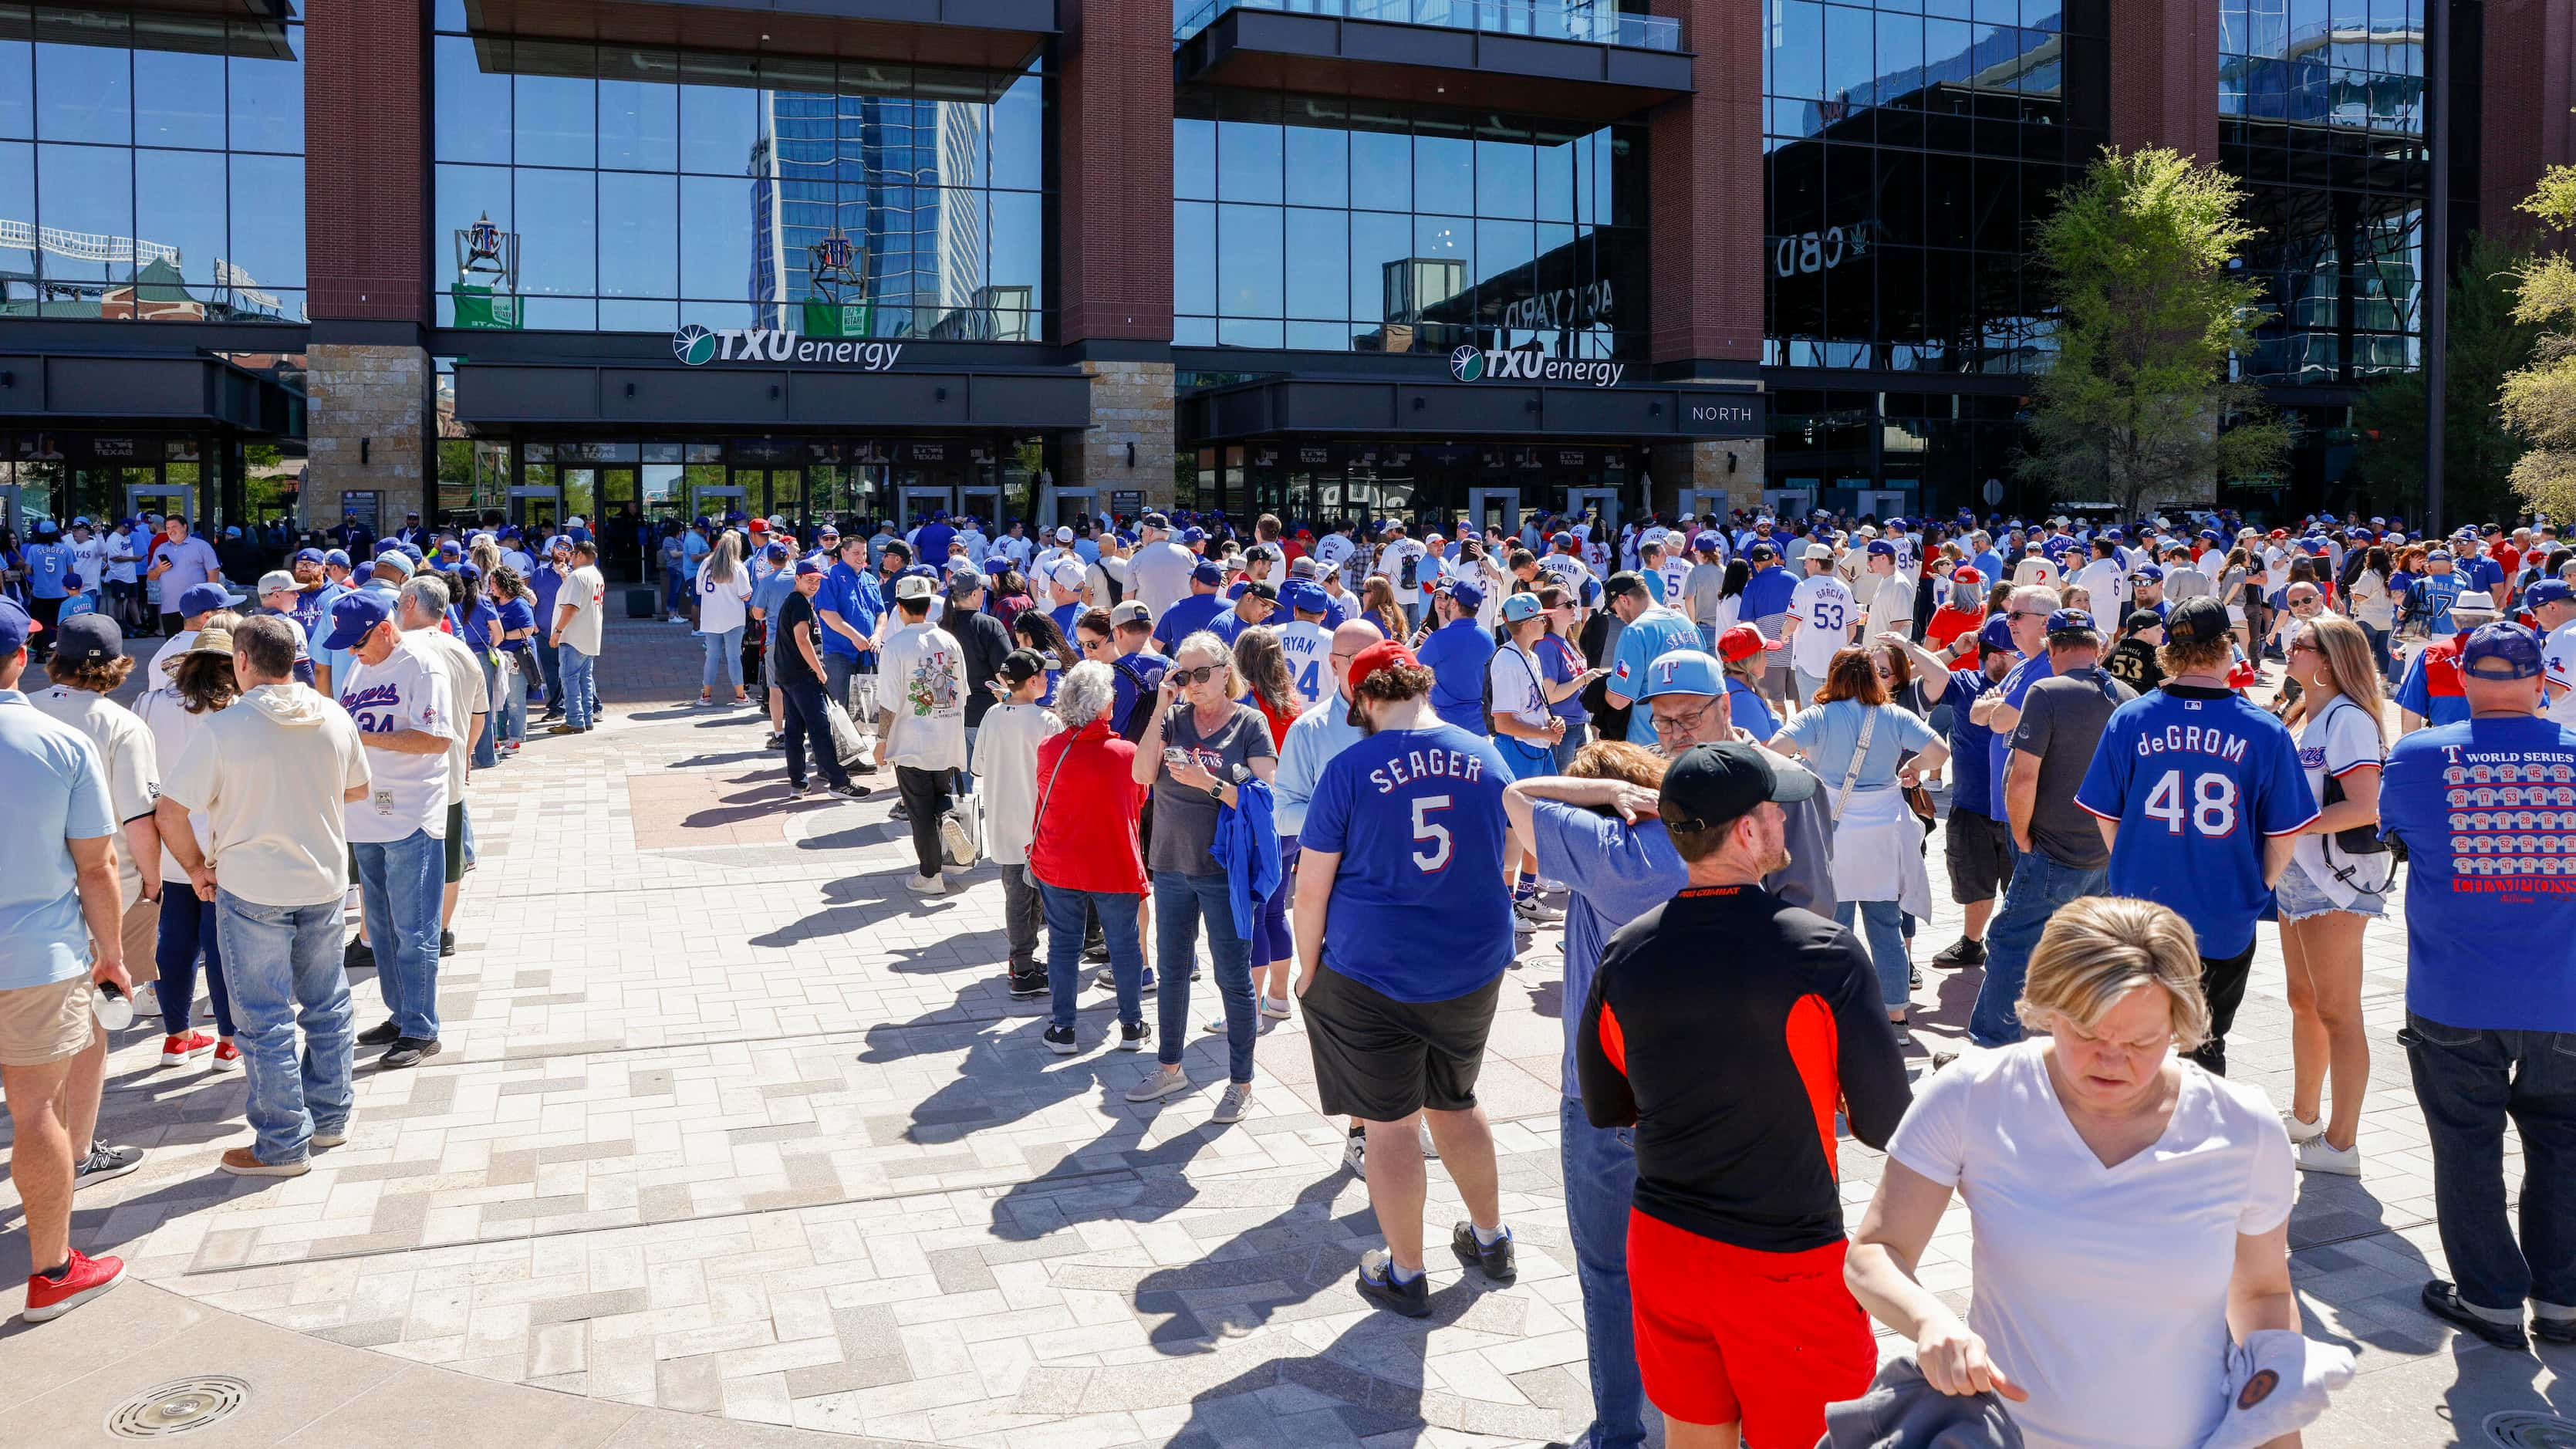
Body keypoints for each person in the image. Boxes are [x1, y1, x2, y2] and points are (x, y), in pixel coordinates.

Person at [1845, 897, 2303, 1449]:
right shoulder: (1973, 1094)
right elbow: (1875, 1251)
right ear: (2047, 1009)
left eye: (2139, 1042)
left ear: (2179, 1024)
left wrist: (2276, 1428)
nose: (2111, 1060)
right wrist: (1928, 1321)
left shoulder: (2242, 1126)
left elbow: (2261, 1294)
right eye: (2086, 1033)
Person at [1572, 739, 1906, 1449]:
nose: (1787, 823)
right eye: (1776, 812)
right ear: (1748, 831)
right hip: (1784, 1258)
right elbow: (1886, 1122)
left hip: (1664, 1243)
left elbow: (1606, 1106)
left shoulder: (1626, 949)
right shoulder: (1821, 951)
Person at [1294, 640, 1517, 1316]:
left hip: (1372, 969)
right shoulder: (1484, 755)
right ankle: (1489, 1236)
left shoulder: (1350, 766)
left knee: (1390, 1122)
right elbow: (1509, 853)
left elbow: (1311, 890)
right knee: (1454, 1097)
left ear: (1362, 699)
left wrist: (1308, 972)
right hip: (1469, 962)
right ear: (1420, 685)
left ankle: (1407, 1271)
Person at [2378, 620, 2576, 1350]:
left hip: (2453, 990)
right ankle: (2562, 1300)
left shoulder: (2417, 756)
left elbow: (2391, 830)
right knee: (2564, 1144)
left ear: (2462, 680)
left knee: (2465, 1143)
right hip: (2564, 990)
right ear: (2538, 681)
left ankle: (2491, 1298)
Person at [1501, 741, 1676, 1449]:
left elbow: (1516, 795)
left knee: (1610, 1272)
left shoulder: (1614, 852)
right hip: (1703, 1093)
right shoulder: (1704, 844)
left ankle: (1620, 1432)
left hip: (1606, 1096)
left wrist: (1597, 794)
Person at [155, 614, 371, 1177]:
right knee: (327, 1002)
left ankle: (281, 1143)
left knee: (265, 1017)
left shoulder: (226, 730)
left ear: (242, 661)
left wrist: (196, 868)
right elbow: (359, 788)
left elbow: (170, 810)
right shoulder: (333, 713)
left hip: (251, 886)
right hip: (322, 878)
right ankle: (330, 1118)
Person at [2075, 597, 2316, 1075]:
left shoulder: (2132, 718)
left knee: (2135, 1041)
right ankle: (2198, 1144)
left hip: (2141, 911)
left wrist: (2130, 867)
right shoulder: (2264, 729)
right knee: (2204, 1045)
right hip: (2224, 909)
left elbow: (2106, 817)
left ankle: (2135, 1140)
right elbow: (2283, 834)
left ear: (2170, 650)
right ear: (2226, 648)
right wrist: (2260, 886)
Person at [0, 596, 139, 1322]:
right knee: (34, 1115)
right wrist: (111, 954)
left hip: (36, 958)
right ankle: (51, 1271)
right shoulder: (61, 744)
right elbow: (97, 866)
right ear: (23, 658)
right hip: (36, 958)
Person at [1966, 608, 2135, 1049]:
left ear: (2053, 647)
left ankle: (1992, 1046)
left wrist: (2022, 836)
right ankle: (2079, 1040)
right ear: (2097, 648)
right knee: (2088, 949)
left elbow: (2023, 777)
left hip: (2054, 850)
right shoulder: (2128, 695)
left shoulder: (2046, 691)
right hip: (2107, 851)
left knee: (2011, 943)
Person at [1126, 631, 1276, 1120]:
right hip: (1170, 862)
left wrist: (1208, 784)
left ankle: (1241, 1082)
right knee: (1172, 973)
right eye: (1184, 675)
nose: (1193, 684)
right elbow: (1143, 775)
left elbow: (1264, 800)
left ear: (1225, 670)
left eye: (1202, 673)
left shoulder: (1249, 724)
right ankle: (1170, 1068)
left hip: (1223, 870)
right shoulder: (1172, 718)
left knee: (1232, 977)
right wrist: (1159, 706)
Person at [2269, 611, 2393, 1179]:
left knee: (2338, 1010)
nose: (2288, 649)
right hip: (2298, 873)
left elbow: (2364, 807)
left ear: (2327, 658)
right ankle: (2303, 1117)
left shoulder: (2346, 719)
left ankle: (2341, 1145)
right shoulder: (2301, 714)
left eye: (2300, 643)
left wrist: (2285, 827)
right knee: (2302, 1001)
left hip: (2336, 878)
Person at [1767, 647, 1947, 1037]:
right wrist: (1912, 768)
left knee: (1834, 926)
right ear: (1872, 677)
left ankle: (1837, 1013)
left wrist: (1806, 772)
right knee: (1886, 926)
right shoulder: (1895, 716)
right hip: (1883, 836)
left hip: (1831, 835)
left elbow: (1773, 751)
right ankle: (1897, 1015)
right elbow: (1939, 751)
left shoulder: (1818, 715)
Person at [325, 592, 457, 1070]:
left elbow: (438, 739)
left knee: (414, 927)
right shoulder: (361, 666)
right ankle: (401, 1015)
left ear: (384, 629)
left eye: (358, 643)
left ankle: (422, 1028)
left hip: (409, 815)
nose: (352, 653)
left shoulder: (421, 667)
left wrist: (364, 739)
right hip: (364, 815)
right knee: (378, 927)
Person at [32, 616, 163, 1072]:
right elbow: (141, 819)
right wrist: (153, 883)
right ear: (116, 664)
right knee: (91, 1018)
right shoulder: (121, 725)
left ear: (56, 659)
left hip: (30, 890)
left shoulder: (24, 711)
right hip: (107, 889)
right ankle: (79, 1140)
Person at [135, 620, 248, 1069]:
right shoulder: (236, 708)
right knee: (219, 943)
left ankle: (176, 1036)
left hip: (168, 839)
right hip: (221, 841)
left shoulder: (149, 704)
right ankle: (227, 1039)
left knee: (175, 940)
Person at [874, 573, 971, 895]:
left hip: (912, 740)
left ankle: (931, 876)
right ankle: (948, 816)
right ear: (928, 606)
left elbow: (888, 702)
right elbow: (964, 692)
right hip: (947, 735)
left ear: (900, 607)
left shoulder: (896, 646)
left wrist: (881, 741)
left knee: (918, 811)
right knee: (940, 794)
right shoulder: (950, 642)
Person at [975, 649, 1059, 997]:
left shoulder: (992, 715)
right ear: (1033, 681)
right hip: (1038, 821)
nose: (1048, 679)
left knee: (1018, 892)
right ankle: (1022, 968)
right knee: (1029, 896)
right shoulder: (1047, 722)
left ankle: (1024, 962)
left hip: (1002, 818)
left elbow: (977, 766)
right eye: (1043, 674)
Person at [773, 560, 869, 800]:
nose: (814, 584)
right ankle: (839, 781)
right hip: (802, 675)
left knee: (795, 729)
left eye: (817, 581)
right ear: (797, 579)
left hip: (789, 674)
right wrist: (819, 670)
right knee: (820, 729)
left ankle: (798, 782)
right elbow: (802, 639)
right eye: (809, 580)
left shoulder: (798, 603)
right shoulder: (798, 603)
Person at [1602, 573, 1706, 746]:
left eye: (1614, 609)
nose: (1617, 616)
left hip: (1652, 743)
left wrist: (1599, 691)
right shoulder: (1688, 625)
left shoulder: (1635, 632)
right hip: (1692, 737)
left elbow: (1619, 700)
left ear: (1624, 600)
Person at [1782, 542, 1858, 706]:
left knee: (1812, 715)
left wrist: (1782, 636)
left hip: (1809, 662)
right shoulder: (1844, 588)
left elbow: (1791, 625)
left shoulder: (1803, 587)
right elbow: (1852, 630)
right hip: (1836, 664)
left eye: (1807, 561)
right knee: (1834, 714)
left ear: (1817, 562)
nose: (1804, 565)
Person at [546, 539, 606, 735]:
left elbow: (571, 607)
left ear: (580, 555)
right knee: (584, 679)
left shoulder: (578, 576)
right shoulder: (595, 574)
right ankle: (586, 718)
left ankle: (574, 720)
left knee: (570, 679)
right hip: (589, 634)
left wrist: (558, 631)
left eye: (572, 554)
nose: (569, 558)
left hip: (573, 636)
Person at [694, 529, 754, 706]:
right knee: (734, 657)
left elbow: (699, 591)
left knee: (711, 657)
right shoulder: (738, 566)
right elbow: (746, 596)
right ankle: (740, 696)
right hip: (733, 617)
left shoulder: (706, 564)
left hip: (710, 617)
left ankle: (706, 695)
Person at [143, 515, 224, 637]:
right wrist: (159, 569)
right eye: (168, 527)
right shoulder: (161, 549)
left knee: (197, 647)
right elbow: (151, 576)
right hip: (170, 608)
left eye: (174, 527)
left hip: (197, 608)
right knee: (174, 648)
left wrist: (208, 602)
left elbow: (213, 573)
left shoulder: (201, 546)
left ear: (185, 527)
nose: (171, 530)